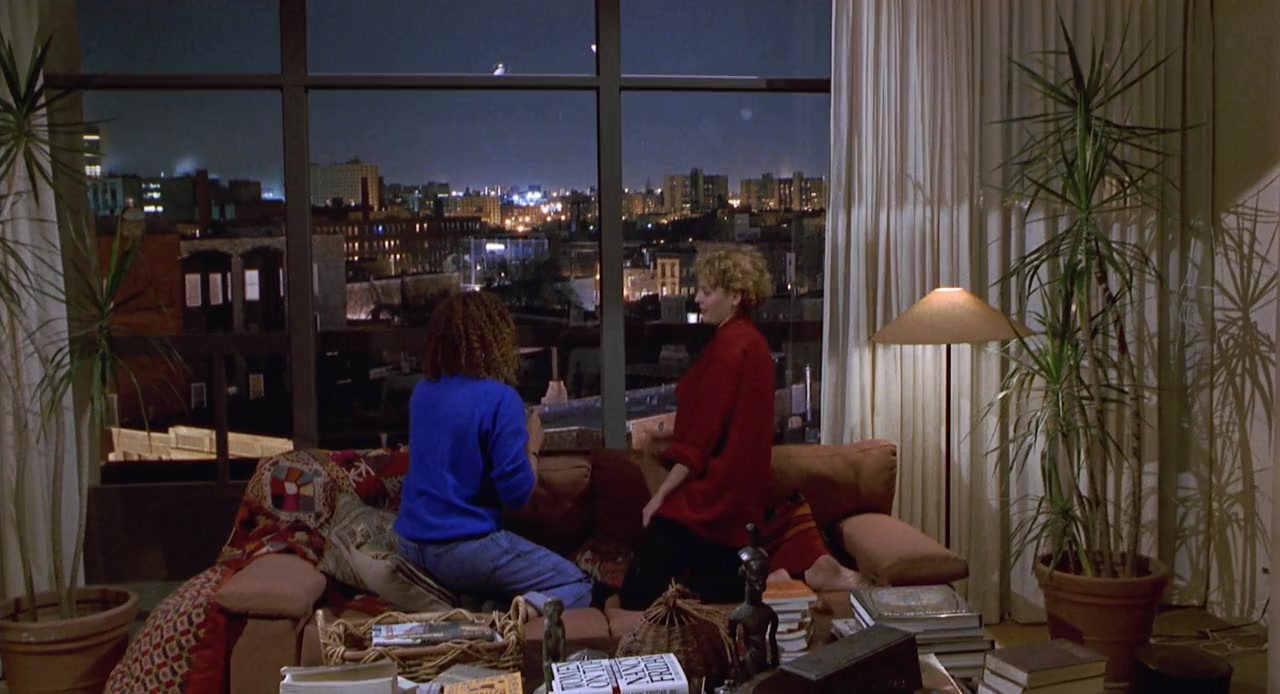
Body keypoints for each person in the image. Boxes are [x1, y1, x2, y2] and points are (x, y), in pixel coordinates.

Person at [394, 290, 593, 614]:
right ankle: (519, 614)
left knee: (493, 580)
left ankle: (487, 606)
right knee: (579, 584)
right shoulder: (500, 399)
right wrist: (532, 445)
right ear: (494, 340)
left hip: (411, 545)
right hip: (462, 551)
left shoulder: (423, 392)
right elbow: (517, 494)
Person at [618, 246, 776, 610]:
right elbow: (727, 422)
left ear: (735, 296)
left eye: (707, 291)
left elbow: (699, 443)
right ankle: (750, 584)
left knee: (638, 594)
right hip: (741, 501)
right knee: (702, 582)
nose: (698, 299)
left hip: (712, 499)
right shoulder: (754, 344)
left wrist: (659, 498)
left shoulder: (728, 348)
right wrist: (671, 436)